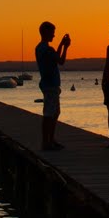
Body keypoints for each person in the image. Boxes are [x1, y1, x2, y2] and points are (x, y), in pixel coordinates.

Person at [35, 22, 70, 151]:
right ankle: (46, 142)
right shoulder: (47, 49)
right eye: (52, 32)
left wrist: (61, 44)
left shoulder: (40, 48)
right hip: (50, 84)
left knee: (54, 112)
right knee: (49, 113)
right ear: (46, 33)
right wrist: (66, 47)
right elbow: (61, 61)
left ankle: (50, 140)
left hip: (48, 83)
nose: (54, 35)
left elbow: (56, 58)